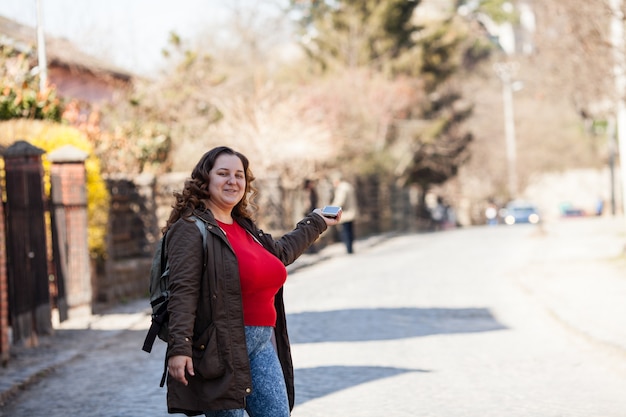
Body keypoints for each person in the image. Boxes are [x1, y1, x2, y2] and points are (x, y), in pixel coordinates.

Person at [163, 146, 341, 416]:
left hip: (261, 342)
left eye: (239, 175)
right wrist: (179, 348)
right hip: (220, 347)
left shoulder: (245, 228)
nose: (232, 181)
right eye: (223, 173)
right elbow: (183, 292)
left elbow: (279, 254)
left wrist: (316, 221)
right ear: (205, 180)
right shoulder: (190, 229)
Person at [329, 171, 358, 254]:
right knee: (350, 231)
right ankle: (350, 248)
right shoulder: (348, 186)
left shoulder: (342, 188)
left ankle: (349, 249)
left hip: (345, 214)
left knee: (346, 232)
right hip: (351, 212)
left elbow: (340, 201)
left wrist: (329, 209)